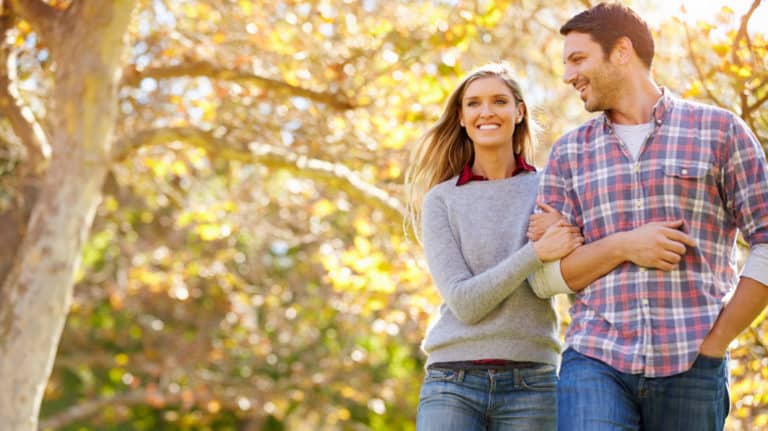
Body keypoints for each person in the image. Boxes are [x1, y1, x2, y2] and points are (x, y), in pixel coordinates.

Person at [532, 3, 768, 430]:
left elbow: (767, 242)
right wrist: (624, 244)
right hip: (594, 358)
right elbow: (546, 277)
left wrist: (717, 343)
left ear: (621, 51)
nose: (568, 76)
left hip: (694, 361)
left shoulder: (719, 131)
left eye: (578, 59)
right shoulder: (569, 152)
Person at [404, 62, 583, 431]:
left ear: (519, 112)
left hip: (532, 382)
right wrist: (534, 253)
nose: (486, 112)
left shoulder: (549, 187)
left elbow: (571, 266)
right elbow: (465, 303)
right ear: (461, 116)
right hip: (452, 382)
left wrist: (561, 244)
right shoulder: (441, 200)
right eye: (474, 103)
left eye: (499, 101)